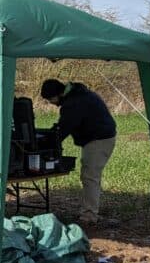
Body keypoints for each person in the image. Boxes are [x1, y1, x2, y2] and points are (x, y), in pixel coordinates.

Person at [40, 78, 117, 225]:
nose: (51, 103)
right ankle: (89, 211)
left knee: (90, 177)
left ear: (58, 94)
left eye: (50, 99)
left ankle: (89, 217)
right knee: (91, 176)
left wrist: (45, 142)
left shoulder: (74, 103)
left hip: (98, 140)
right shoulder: (79, 95)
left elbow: (63, 129)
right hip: (101, 138)